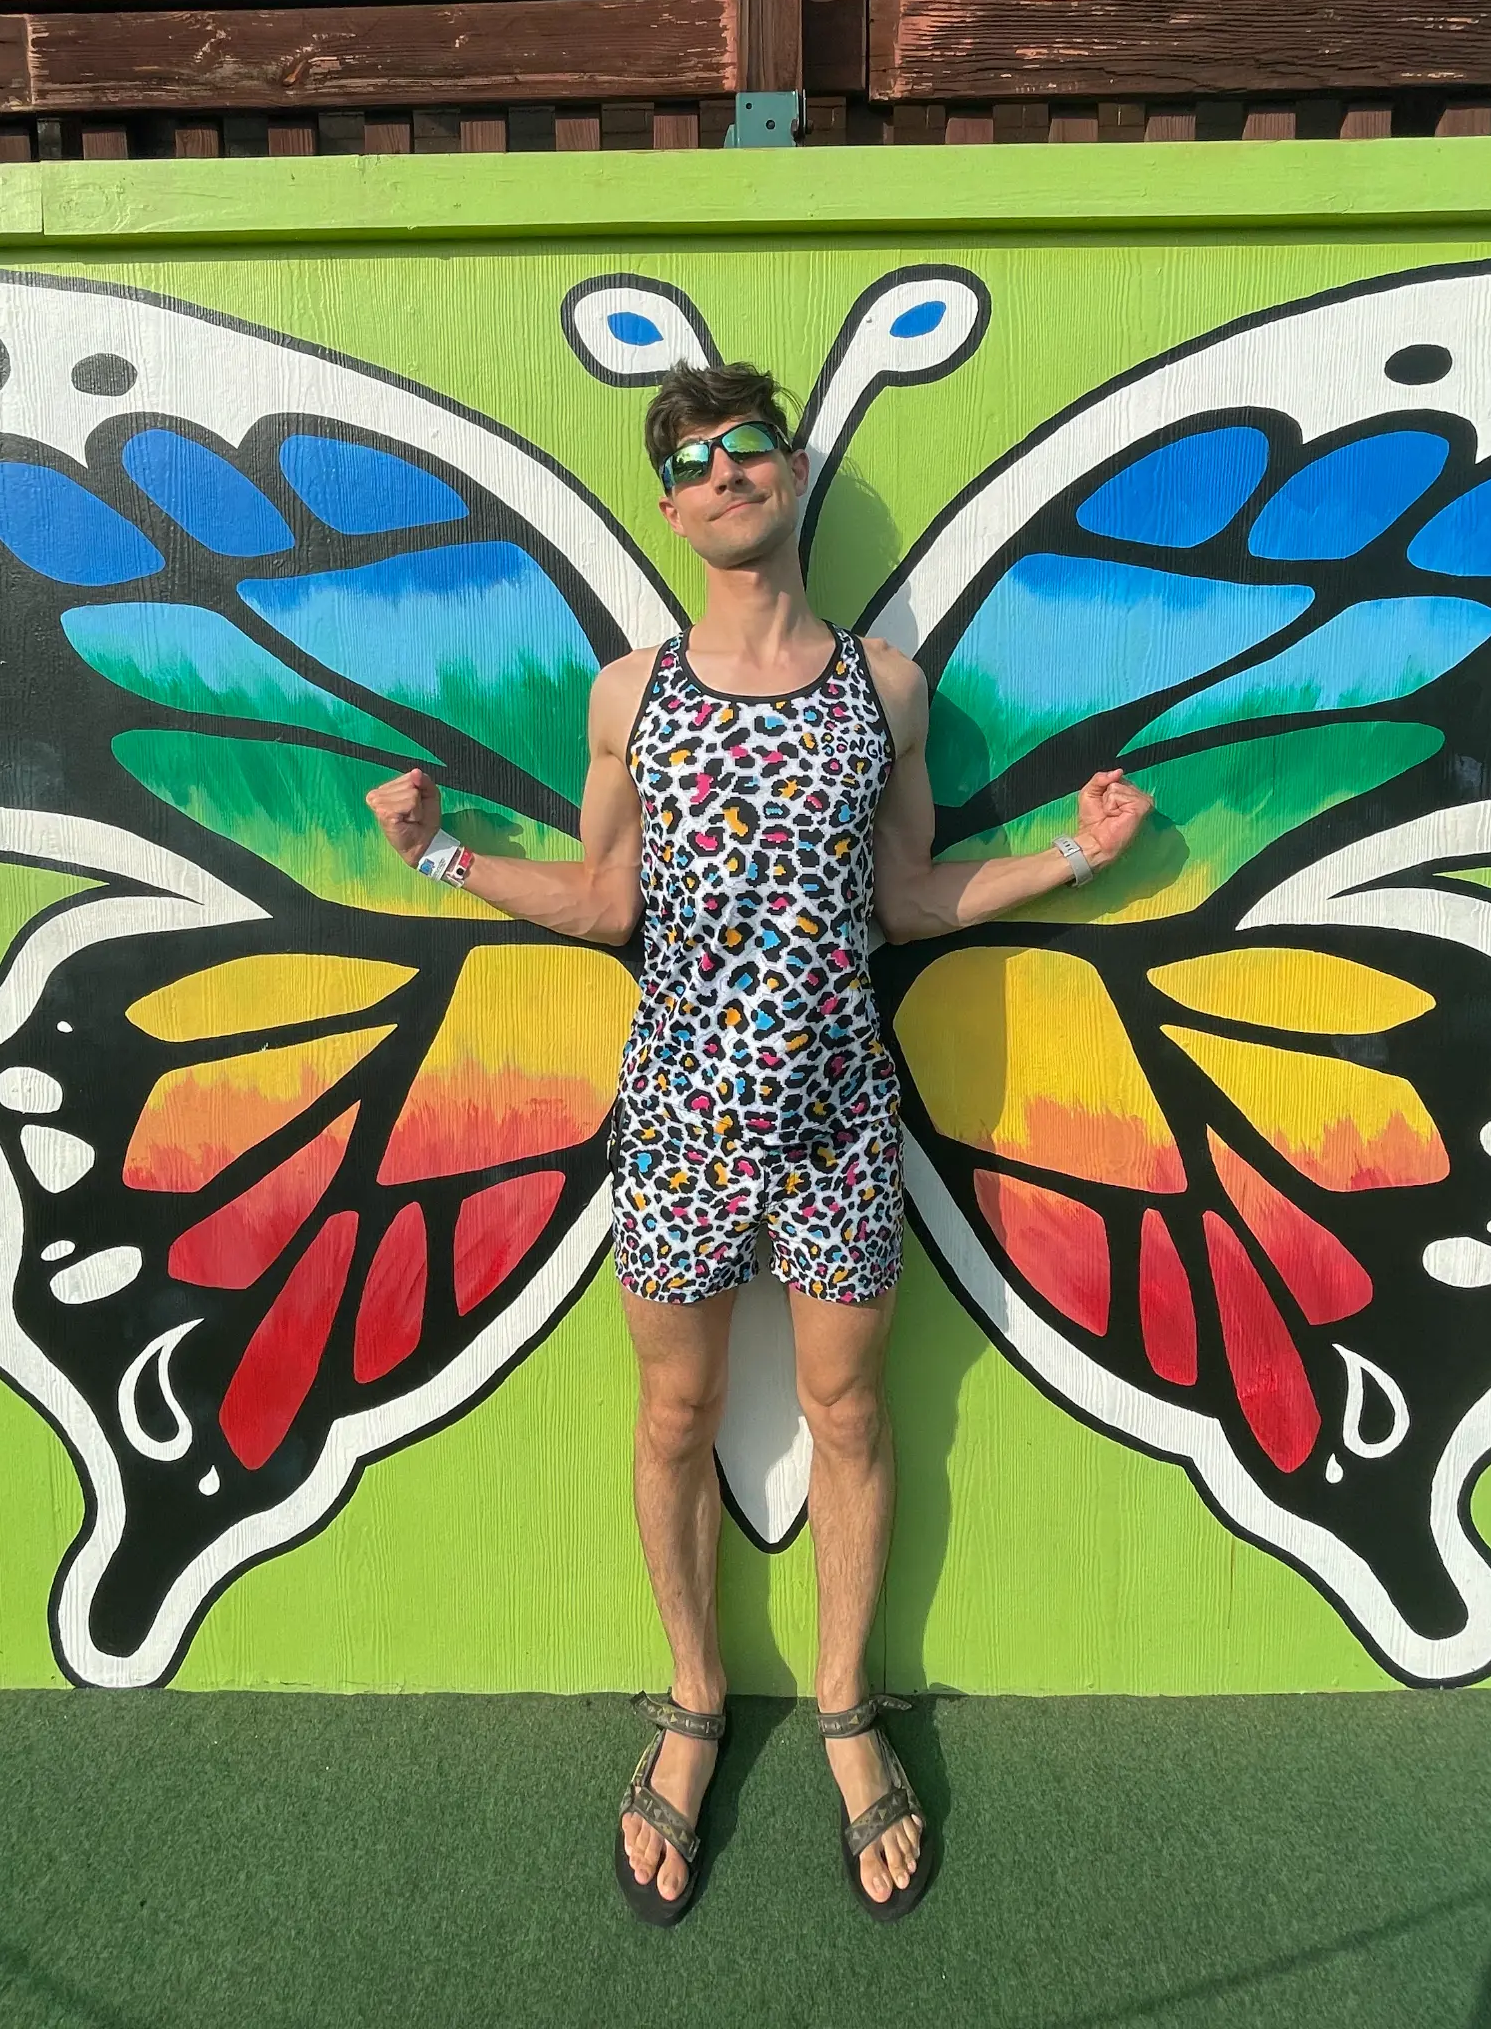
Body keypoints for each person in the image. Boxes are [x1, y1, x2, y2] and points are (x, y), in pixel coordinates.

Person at [366, 363, 1153, 1924]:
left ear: (790, 473)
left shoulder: (887, 691)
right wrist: (442, 853)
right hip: (674, 1117)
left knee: (851, 1421)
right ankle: (694, 1698)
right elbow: (604, 906)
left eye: (748, 447)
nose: (726, 472)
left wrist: (1073, 852)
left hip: (842, 1118)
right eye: (693, 460)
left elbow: (908, 900)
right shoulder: (628, 694)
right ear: (667, 508)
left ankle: (850, 1712)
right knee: (676, 1415)